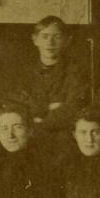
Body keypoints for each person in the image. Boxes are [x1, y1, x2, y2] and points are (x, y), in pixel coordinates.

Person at [19, 16, 88, 154]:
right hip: (30, 141)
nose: (50, 42)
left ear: (66, 41)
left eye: (56, 36)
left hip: (64, 141)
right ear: (35, 40)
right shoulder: (24, 72)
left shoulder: (76, 72)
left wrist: (40, 121)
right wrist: (52, 106)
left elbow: (72, 108)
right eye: (44, 36)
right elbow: (20, 103)